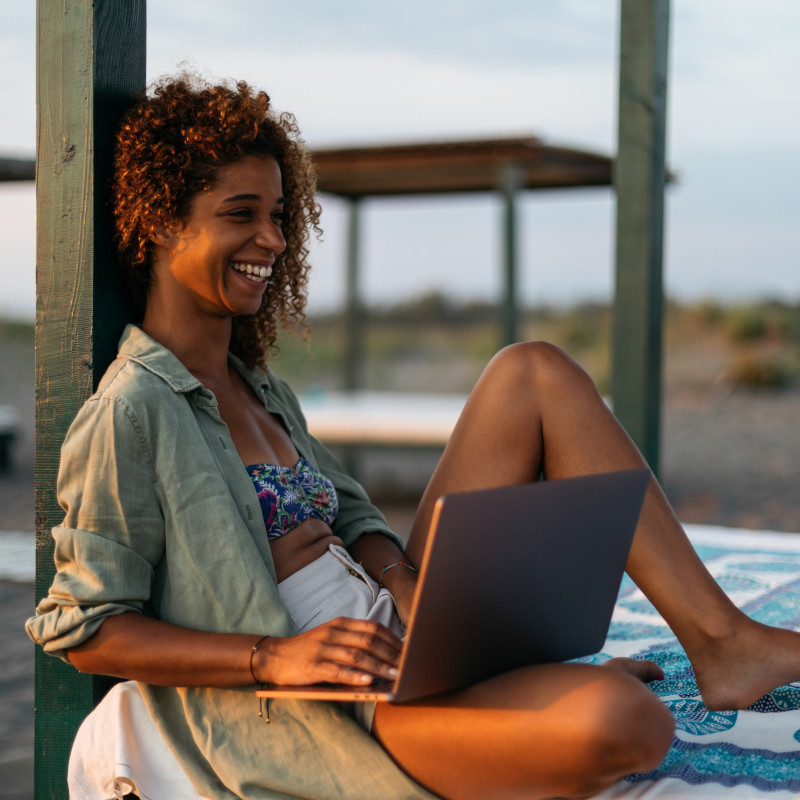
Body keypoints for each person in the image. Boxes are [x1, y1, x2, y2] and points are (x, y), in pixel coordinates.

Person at [26, 74, 800, 800]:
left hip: (409, 631)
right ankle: (521, 688)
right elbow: (87, 625)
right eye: (241, 214)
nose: (272, 239)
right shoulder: (132, 411)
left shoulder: (259, 388)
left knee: (533, 372)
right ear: (161, 221)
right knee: (624, 723)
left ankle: (722, 641)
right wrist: (274, 658)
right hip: (352, 701)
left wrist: (401, 577)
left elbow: (356, 517)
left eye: (280, 216)